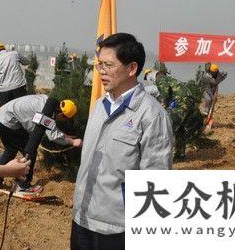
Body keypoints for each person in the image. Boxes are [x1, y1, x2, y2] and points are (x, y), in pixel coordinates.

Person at [72, 33, 173, 250]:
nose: (102, 71)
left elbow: (155, 180)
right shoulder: (99, 106)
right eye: (100, 65)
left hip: (118, 230)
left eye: (108, 65)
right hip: (82, 219)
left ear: (132, 68)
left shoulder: (151, 116)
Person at [0, 95, 82, 193]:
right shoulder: (46, 113)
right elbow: (53, 135)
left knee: (11, 150)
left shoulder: (47, 101)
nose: (64, 122)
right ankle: (23, 186)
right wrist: (73, 142)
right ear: (61, 115)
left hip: (1, 116)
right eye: (66, 120)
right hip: (8, 122)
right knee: (30, 152)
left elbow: (48, 125)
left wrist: (63, 135)